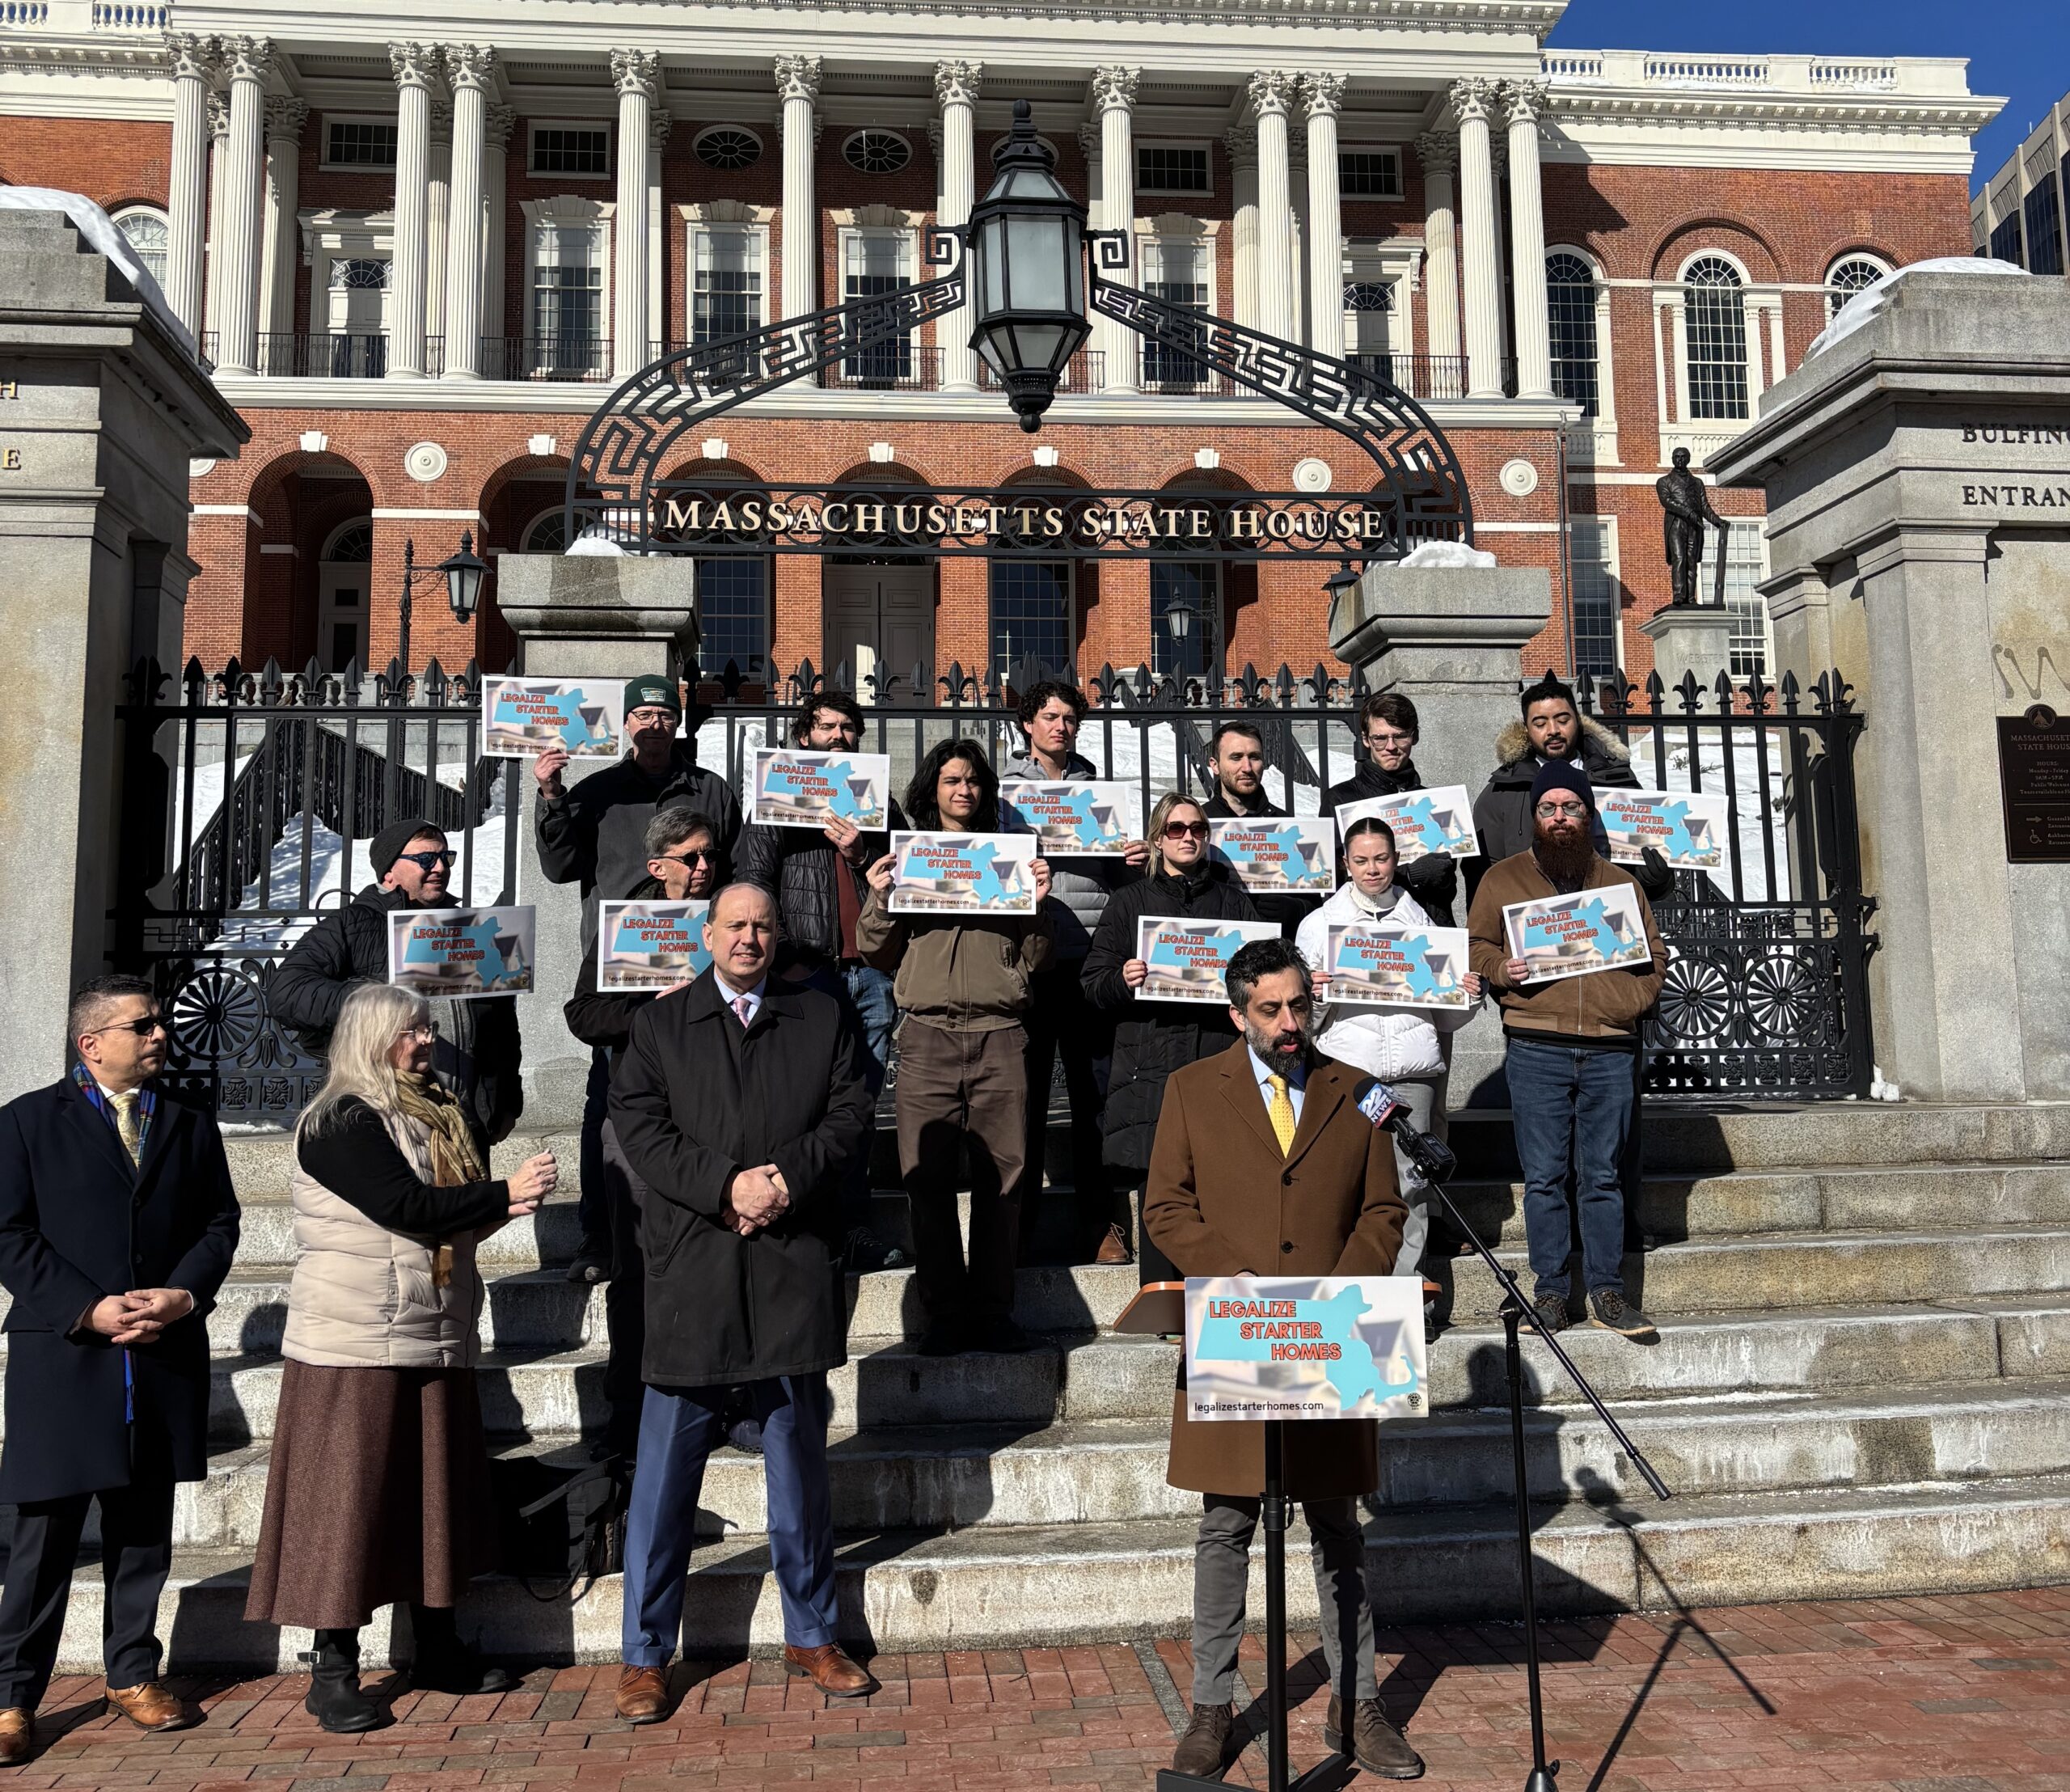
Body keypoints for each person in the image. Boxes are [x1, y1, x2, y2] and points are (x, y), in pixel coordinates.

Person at [1143, 939, 1421, 1783]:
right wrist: (1233, 1278)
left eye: (1299, 1004)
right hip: (1236, 1327)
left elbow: (1384, 1208)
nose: (1289, 1022)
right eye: (1270, 1009)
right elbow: (1166, 1206)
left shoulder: (1358, 1090)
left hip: (1332, 1332)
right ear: (1238, 1014)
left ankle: (1355, 1703)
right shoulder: (1191, 1089)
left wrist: (1341, 1288)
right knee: (1226, 1524)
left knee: (1338, 1523)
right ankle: (1210, 1706)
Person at [245, 983, 558, 1731]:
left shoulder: (436, 1111)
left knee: (433, 1499)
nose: (425, 1041)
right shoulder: (340, 1120)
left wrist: (504, 1203)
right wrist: (501, 1193)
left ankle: (438, 1648)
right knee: (347, 1506)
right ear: (371, 1038)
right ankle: (333, 1668)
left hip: (431, 1329)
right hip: (353, 1342)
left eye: (425, 1028)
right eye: (410, 1031)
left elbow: (450, 1224)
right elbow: (406, 1209)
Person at [608, 883, 877, 1721]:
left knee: (798, 1466)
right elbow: (640, 1127)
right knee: (663, 1478)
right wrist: (726, 1186)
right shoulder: (660, 1025)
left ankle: (813, 1634)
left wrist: (784, 1181)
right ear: (708, 934)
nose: (749, 938)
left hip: (790, 1264)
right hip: (693, 1267)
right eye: (735, 925)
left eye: (762, 925)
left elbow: (851, 1112)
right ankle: (645, 1654)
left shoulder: (821, 1016)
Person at [0, 976, 239, 1761]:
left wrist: (183, 1293)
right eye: (143, 1025)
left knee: (143, 1528)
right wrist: (87, 1307)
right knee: (44, 1536)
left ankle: (132, 1673)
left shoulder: (188, 1120)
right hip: (66, 1354)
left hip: (161, 1352)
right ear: (92, 1042)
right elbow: (8, 1233)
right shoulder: (27, 1120)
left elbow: (220, 1221)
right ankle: (12, 1695)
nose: (160, 1033)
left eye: (159, 1022)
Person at [534, 674, 741, 1285]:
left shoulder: (711, 789)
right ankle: (600, 1235)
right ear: (626, 724)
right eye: (643, 715)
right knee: (609, 1102)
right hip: (624, 967)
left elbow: (731, 867)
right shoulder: (599, 792)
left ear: (678, 721)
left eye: (664, 714)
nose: (654, 724)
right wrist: (551, 795)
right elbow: (559, 866)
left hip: (702, 961)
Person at [1468, 672, 1675, 1258]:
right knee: (1548, 1160)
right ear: (1526, 729)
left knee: (1613, 1148)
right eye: (1540, 722)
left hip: (1609, 998)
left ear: (1577, 720)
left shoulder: (1619, 779)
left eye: (1562, 718)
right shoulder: (1503, 790)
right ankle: (1555, 1272)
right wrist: (1502, 973)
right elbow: (1483, 898)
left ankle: (1618, 1233)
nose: (1553, 730)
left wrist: (1659, 880)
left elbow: (1652, 874)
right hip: (1544, 1004)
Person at [857, 740, 1054, 1356]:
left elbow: (1037, 958)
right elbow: (875, 952)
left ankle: (993, 1311)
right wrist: (880, 900)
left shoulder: (1010, 857)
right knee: (927, 1182)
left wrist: (1037, 908)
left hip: (1000, 1034)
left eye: (972, 780)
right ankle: (943, 1312)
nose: (963, 790)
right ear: (932, 790)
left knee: (1004, 1182)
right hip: (927, 1035)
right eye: (950, 780)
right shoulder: (908, 858)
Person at [563, 807, 725, 1460]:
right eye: (691, 857)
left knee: (717, 1265)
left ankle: (722, 1401)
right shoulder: (627, 926)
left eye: (710, 854)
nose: (704, 866)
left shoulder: (733, 918)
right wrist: (645, 1014)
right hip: (642, 1118)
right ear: (658, 867)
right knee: (636, 1270)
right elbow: (582, 1013)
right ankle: (628, 1411)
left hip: (720, 1116)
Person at [734, 691, 908, 1274]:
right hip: (805, 973)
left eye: (848, 727)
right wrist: (784, 960)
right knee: (803, 1105)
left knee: (858, 1108)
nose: (838, 736)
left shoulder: (877, 800)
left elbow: (912, 872)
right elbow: (754, 883)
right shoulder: (777, 795)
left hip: (870, 974)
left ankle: (852, 1226)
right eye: (826, 726)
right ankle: (802, 1225)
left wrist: (860, 852)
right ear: (804, 733)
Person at [1296, 817, 1482, 1334]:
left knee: (1411, 1187)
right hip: (1349, 1077)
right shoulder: (1319, 926)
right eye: (1361, 860)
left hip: (1411, 1076)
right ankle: (1345, 1297)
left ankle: (1405, 1303)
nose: (1372, 869)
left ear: (1396, 860)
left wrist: (1467, 996)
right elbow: (1304, 1021)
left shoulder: (1423, 924)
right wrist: (1317, 995)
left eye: (1381, 858)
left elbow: (1444, 1019)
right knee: (1344, 1186)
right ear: (1345, 864)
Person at [1079, 792, 1261, 1284]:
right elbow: (1093, 983)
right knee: (1160, 1193)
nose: (1188, 837)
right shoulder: (1129, 902)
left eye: (1197, 829)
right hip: (1150, 1062)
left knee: (1220, 1188)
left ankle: (1218, 1301)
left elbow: (1264, 981)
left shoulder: (1233, 903)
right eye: (1176, 829)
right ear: (1158, 839)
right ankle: (1162, 1302)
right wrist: (1123, 979)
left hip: (1217, 1057)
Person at [1002, 678, 1146, 1266]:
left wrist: (1132, 862)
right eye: (1050, 717)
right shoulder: (1005, 793)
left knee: (1093, 1097)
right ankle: (1019, 1226)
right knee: (1026, 1097)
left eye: (1069, 719)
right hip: (1031, 961)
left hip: (1090, 959)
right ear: (1027, 724)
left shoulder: (1097, 793)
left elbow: (1121, 882)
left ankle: (1101, 1223)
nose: (1061, 727)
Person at [271, 818, 523, 1152]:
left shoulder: (468, 929)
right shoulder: (353, 924)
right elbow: (286, 991)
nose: (439, 867)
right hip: (387, 1118)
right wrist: (376, 1001)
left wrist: (506, 1101)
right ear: (389, 872)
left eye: (444, 857)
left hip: (464, 1122)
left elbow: (502, 1025)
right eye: (424, 859)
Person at [1320, 691, 1460, 927]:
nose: (1391, 747)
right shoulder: (1341, 799)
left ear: (1415, 737)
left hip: (1431, 926)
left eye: (1400, 736)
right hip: (1371, 930)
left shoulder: (1435, 802)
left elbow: (1447, 886)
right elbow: (1332, 882)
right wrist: (1409, 875)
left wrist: (1442, 877)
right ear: (1366, 740)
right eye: (1380, 738)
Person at [1199, 719, 1319, 938]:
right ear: (1215, 765)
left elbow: (1316, 905)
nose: (1247, 768)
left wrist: (1297, 909)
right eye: (1236, 757)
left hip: (1274, 947)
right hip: (1216, 944)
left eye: (1254, 757)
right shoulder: (1196, 825)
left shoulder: (1287, 827)